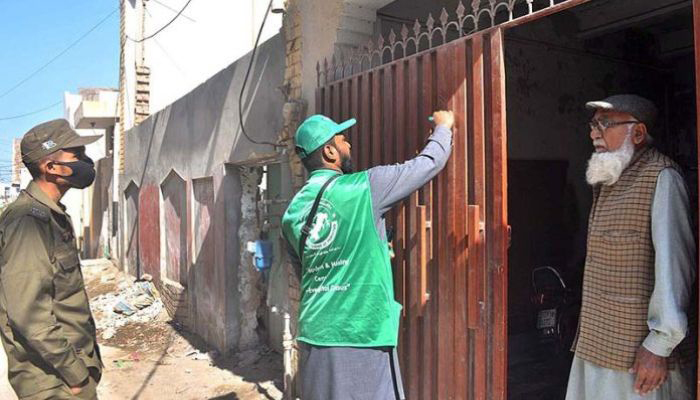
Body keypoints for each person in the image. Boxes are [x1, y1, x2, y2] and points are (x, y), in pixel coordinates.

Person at [281, 111, 454, 400]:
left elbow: (309, 273)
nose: (349, 145)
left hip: (313, 337)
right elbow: (427, 165)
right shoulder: (365, 187)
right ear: (329, 151)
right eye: (343, 139)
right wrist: (443, 127)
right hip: (358, 335)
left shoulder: (292, 212)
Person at [566, 95, 696, 400]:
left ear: (637, 133)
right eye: (593, 124)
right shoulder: (610, 180)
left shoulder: (662, 177)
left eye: (605, 124)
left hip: (640, 357)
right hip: (597, 343)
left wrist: (659, 346)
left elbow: (675, 267)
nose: (593, 133)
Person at [0, 119, 103, 399]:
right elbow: (29, 314)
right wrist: (76, 375)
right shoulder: (27, 221)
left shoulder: (52, 215)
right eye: (77, 156)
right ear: (51, 167)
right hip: (54, 382)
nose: (85, 162)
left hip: (65, 376)